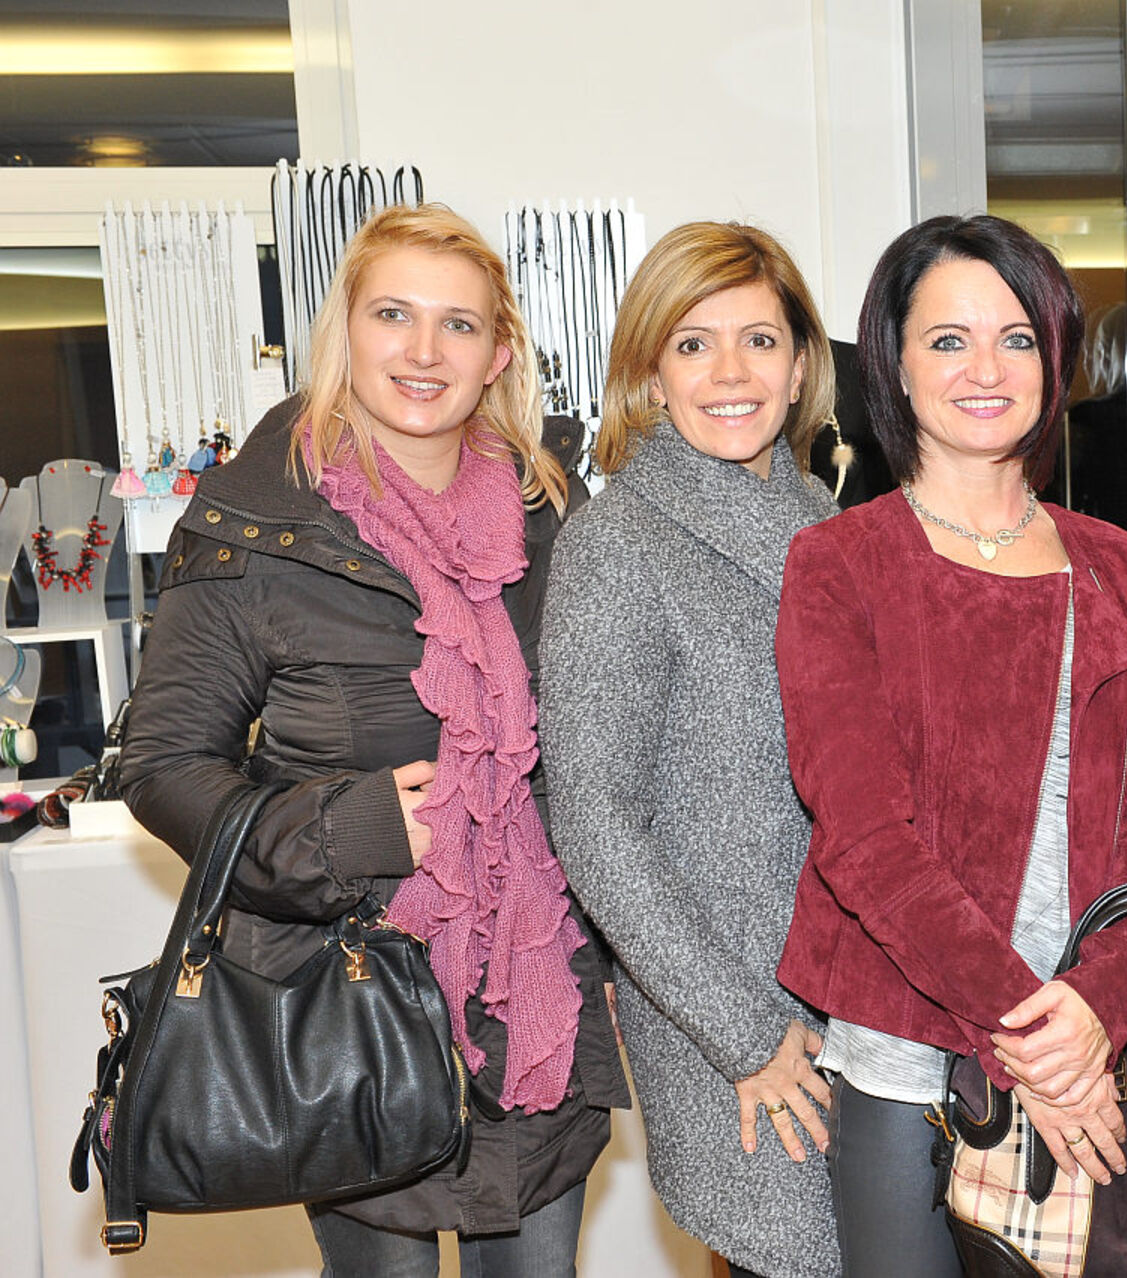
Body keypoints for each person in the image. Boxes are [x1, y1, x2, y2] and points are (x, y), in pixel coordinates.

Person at [117, 203, 627, 1277]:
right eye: (393, 314)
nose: (424, 350)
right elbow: (162, 766)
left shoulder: (551, 512)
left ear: (498, 354)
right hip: (347, 999)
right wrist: (342, 830)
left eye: (458, 323)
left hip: (534, 993)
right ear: (344, 329)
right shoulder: (255, 521)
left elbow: (595, 742)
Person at [774, 214, 1127, 1276]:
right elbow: (864, 840)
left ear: (1054, 362)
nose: (986, 369)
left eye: (1016, 338)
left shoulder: (1112, 560)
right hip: (913, 1060)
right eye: (948, 339)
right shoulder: (840, 563)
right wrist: (1035, 1040)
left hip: (1099, 1047)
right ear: (896, 362)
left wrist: (1095, 1012)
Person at [539, 222, 841, 1278]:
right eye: (693, 343)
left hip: (853, 998)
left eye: (759, 341)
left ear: (799, 368)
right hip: (732, 1014)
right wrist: (742, 1032)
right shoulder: (617, 542)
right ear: (651, 376)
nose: (730, 373)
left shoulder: (824, 519)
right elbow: (593, 822)